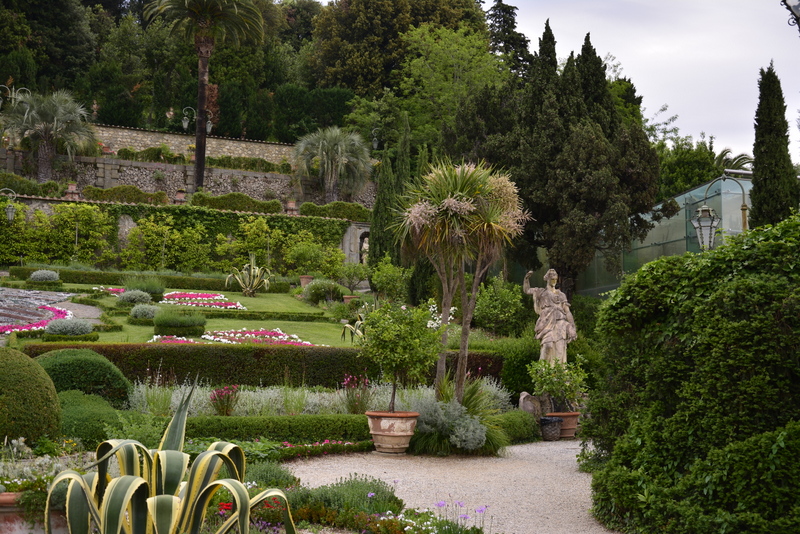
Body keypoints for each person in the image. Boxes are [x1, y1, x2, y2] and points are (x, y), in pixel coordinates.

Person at [523, 269, 577, 364]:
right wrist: (526, 279)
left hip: (560, 324)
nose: (554, 281)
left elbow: (567, 312)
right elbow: (527, 290)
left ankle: (558, 371)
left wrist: (572, 327)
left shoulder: (561, 295)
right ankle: (542, 370)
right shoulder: (541, 292)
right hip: (547, 323)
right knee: (547, 345)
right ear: (547, 279)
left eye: (555, 279)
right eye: (552, 279)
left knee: (560, 350)